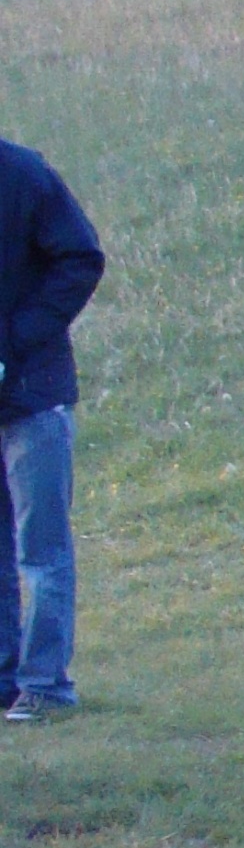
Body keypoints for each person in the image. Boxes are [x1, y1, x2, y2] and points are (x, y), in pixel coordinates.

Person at [0, 136, 104, 725]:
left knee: (39, 549)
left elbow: (81, 258)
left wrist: (14, 342)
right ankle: (6, 678)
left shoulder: (22, 174)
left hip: (32, 396)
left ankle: (44, 685)